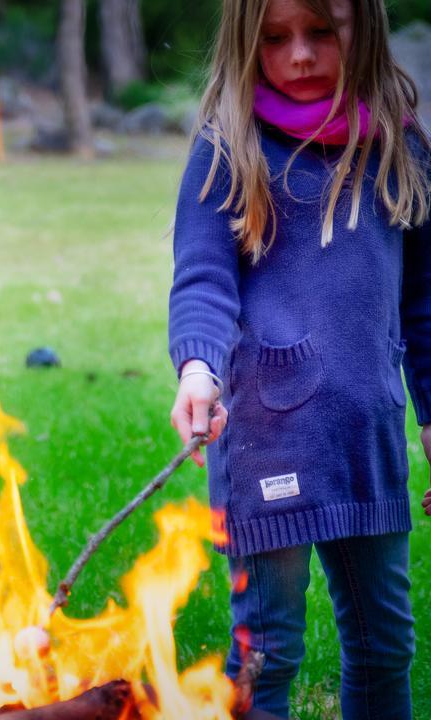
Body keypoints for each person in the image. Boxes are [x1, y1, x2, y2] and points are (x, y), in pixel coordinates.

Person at [167, 0, 431, 717]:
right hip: (265, 441)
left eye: (323, 32)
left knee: (385, 645)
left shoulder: (402, 148)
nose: (300, 57)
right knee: (267, 654)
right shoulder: (228, 147)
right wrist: (198, 369)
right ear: (247, 41)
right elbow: (202, 278)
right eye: (276, 39)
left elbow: (424, 306)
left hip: (367, 439)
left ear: (365, 28)